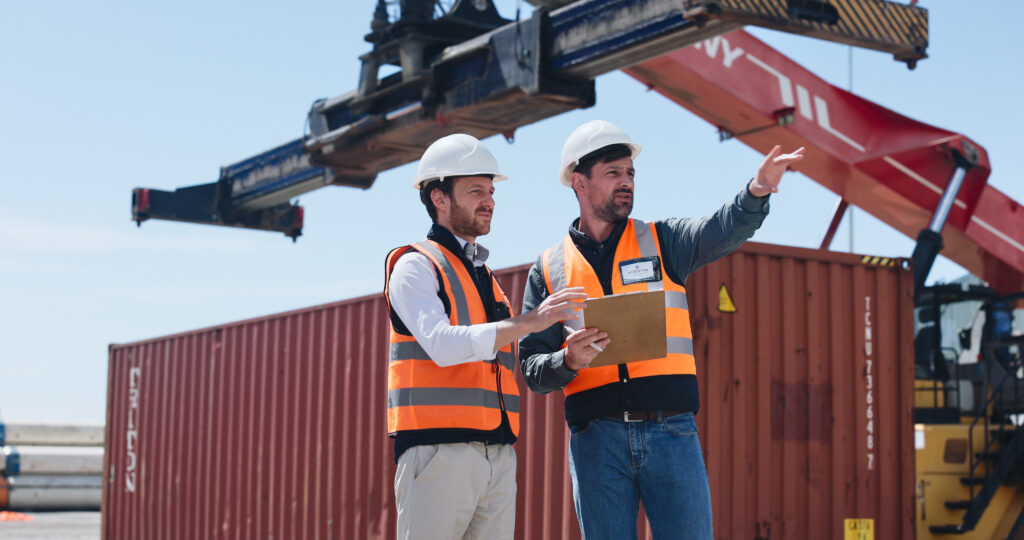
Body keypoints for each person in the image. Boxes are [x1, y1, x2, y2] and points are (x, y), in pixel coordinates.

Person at [518, 120, 804, 539]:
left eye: (630, 173)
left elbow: (722, 228)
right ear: (579, 182)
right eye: (613, 173)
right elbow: (531, 369)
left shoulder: (664, 241)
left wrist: (756, 191)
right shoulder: (548, 269)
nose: (626, 182)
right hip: (596, 442)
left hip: (672, 432)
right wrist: (567, 360)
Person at [384, 133, 587, 540]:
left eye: (491, 191)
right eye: (476, 190)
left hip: (497, 454)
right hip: (437, 454)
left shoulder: (486, 279)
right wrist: (531, 321)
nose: (489, 201)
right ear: (439, 197)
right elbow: (442, 345)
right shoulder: (414, 265)